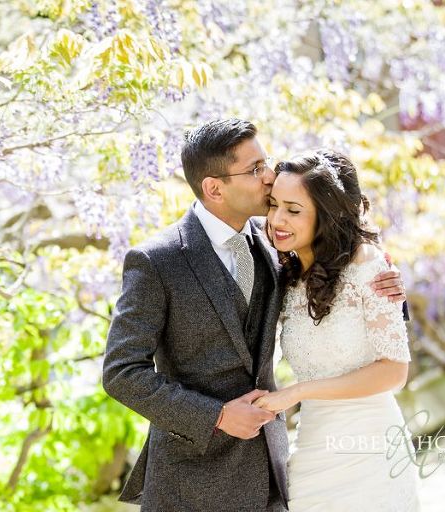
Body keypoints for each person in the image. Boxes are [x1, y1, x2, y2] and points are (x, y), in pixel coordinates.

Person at [102, 119, 406, 511]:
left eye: (267, 163)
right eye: (255, 169)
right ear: (214, 188)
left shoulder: (275, 237)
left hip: (274, 473)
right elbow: (122, 372)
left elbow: (342, 250)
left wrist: (390, 285)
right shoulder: (156, 261)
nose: (270, 178)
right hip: (191, 481)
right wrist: (216, 416)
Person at [254, 149, 420, 511]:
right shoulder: (286, 274)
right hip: (313, 450)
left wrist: (295, 392)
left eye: (294, 210)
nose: (278, 219)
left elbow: (394, 370)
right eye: (272, 205)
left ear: (326, 215)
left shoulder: (369, 265)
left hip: (371, 452)